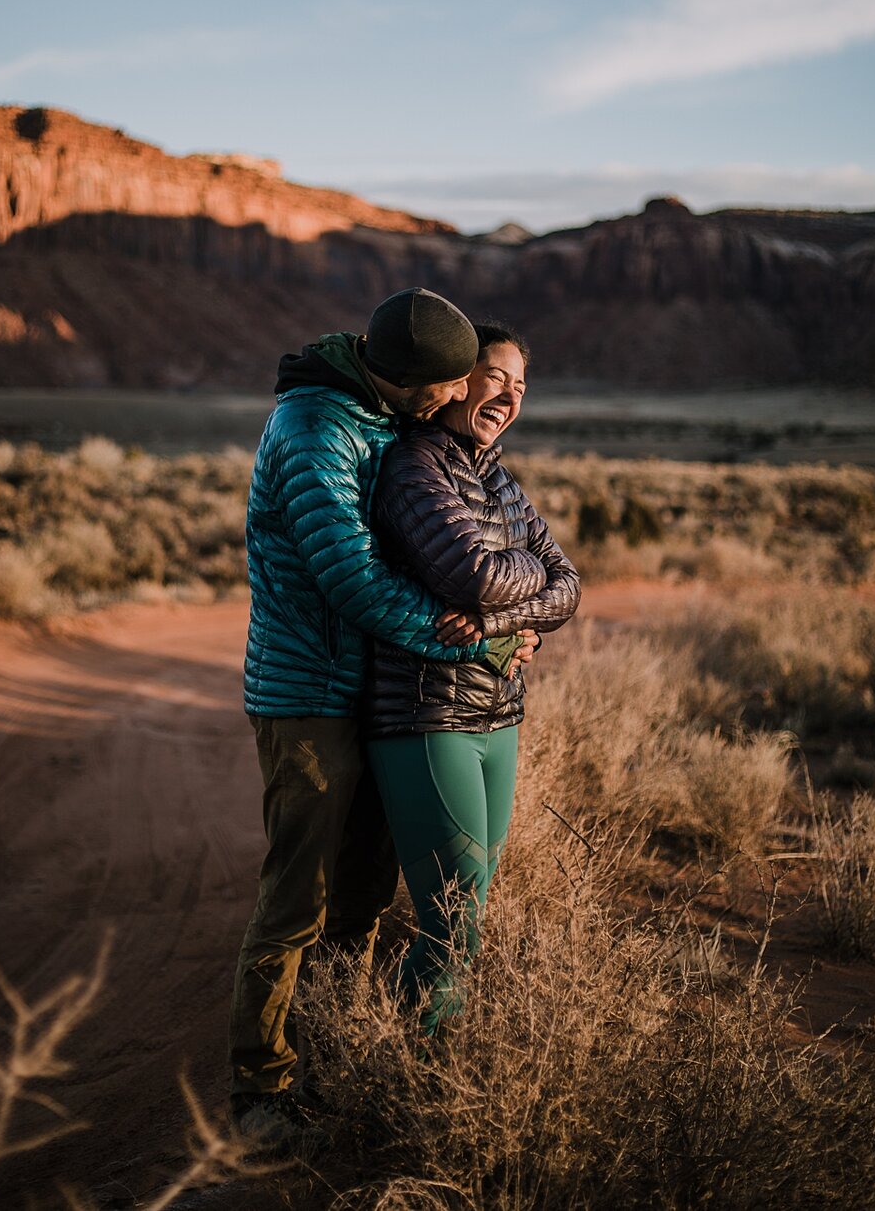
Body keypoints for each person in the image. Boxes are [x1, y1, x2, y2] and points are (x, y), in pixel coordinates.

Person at [229, 290, 532, 1141]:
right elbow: (354, 580)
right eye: (444, 386)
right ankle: (260, 1090)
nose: (453, 399)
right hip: (307, 698)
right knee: (299, 897)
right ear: (402, 380)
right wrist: (485, 647)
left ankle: (329, 1055)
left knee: (359, 896)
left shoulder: (380, 414)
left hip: (371, 691)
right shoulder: (316, 431)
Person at [364, 322, 580, 1034]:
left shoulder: (495, 477)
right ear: (458, 378)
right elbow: (474, 571)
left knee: (470, 910)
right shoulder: (413, 465)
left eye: (521, 385)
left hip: (499, 711)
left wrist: (495, 621)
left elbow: (569, 585)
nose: (509, 395)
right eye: (496, 376)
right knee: (451, 917)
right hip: (428, 715)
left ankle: (414, 1057)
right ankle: (403, 1067)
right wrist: (525, 583)